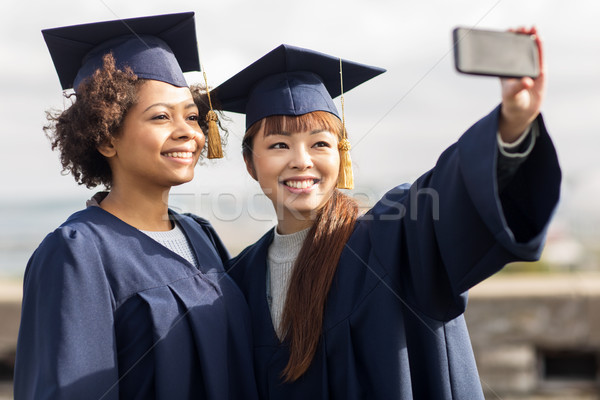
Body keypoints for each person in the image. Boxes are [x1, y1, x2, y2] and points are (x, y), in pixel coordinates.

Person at [214, 31, 561, 399]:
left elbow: (447, 199)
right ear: (251, 163)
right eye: (279, 145)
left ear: (341, 155)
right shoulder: (239, 280)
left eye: (320, 143)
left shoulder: (389, 238)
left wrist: (512, 124)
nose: (302, 161)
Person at [14, 12, 257, 399]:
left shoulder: (200, 233)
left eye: (192, 116)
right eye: (161, 116)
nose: (188, 133)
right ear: (106, 138)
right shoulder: (76, 253)